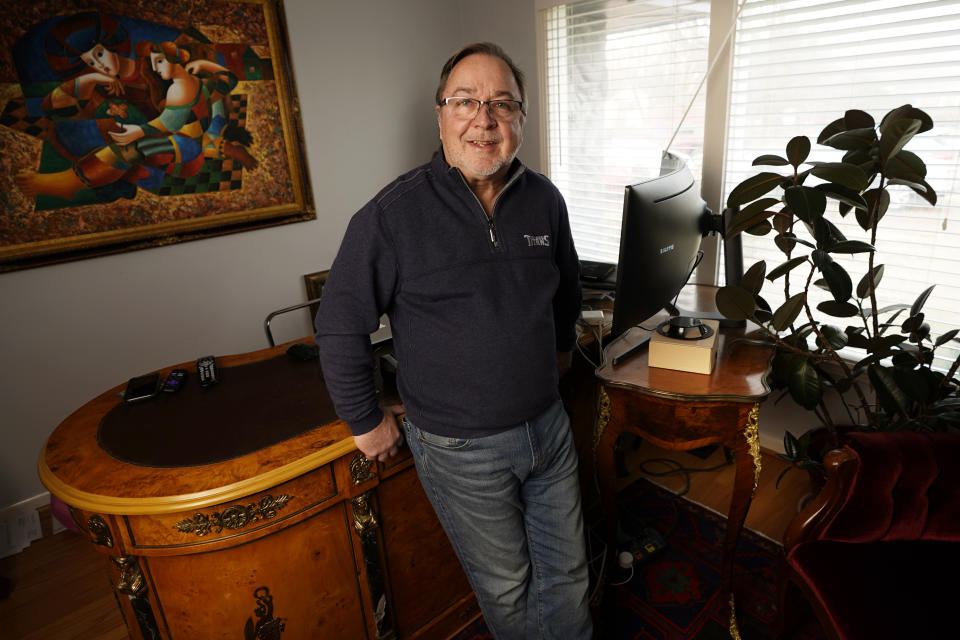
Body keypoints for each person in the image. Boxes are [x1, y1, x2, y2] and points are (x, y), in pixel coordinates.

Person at [314, 43, 591, 639]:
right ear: (440, 116)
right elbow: (339, 324)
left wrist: (562, 349)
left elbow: (565, 288)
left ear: (520, 120)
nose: (483, 118)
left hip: (548, 427)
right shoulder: (391, 215)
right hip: (461, 449)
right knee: (509, 588)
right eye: (465, 101)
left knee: (569, 574)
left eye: (501, 103)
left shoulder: (544, 199)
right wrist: (366, 421)